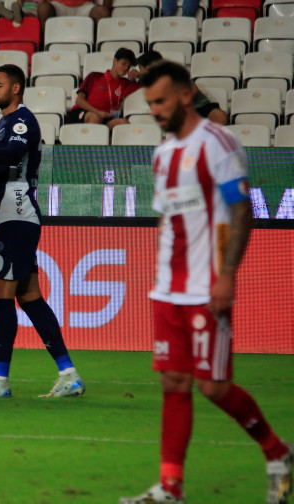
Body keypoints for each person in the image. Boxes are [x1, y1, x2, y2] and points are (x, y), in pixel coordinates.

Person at [120, 60, 293, 504]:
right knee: (174, 384)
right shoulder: (162, 154)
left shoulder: (218, 142)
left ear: (185, 94)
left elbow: (241, 210)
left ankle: (276, 451)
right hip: (168, 290)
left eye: (160, 101)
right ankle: (170, 487)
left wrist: (227, 275)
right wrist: (158, 275)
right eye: (150, 103)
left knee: (213, 386)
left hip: (205, 285)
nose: (155, 110)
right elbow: (169, 218)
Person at [0, 64, 85, 398]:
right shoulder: (5, 123)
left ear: (16, 88)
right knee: (29, 296)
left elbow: (9, 154)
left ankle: (0, 380)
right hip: (12, 217)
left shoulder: (22, 121)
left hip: (16, 215)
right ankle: (68, 373)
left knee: (1, 296)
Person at [137, 50, 228, 126]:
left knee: (220, 117)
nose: (140, 72)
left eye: (141, 69)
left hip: (200, 106)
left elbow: (193, 90)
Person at [65, 47, 141, 131]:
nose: (126, 68)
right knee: (95, 118)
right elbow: (79, 101)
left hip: (107, 118)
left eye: (129, 66)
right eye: (123, 64)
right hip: (83, 112)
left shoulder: (126, 83)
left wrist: (139, 74)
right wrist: (98, 113)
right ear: (115, 61)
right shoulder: (94, 76)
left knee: (123, 123)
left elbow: (152, 82)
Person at [37, 0, 111, 37]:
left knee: (102, 12)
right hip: (58, 5)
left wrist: (107, 9)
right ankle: (45, 47)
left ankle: (96, 49)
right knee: (44, 9)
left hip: (85, 5)